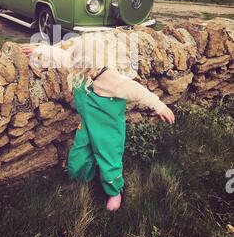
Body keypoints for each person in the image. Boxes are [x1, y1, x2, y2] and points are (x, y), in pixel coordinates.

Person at [20, 31, 175, 212]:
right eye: (80, 66)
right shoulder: (79, 66)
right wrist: (39, 49)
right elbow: (61, 56)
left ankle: (114, 191)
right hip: (87, 124)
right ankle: (81, 179)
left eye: (88, 68)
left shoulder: (114, 80)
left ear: (100, 62)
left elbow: (139, 92)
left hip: (107, 129)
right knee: (78, 155)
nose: (84, 71)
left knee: (108, 159)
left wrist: (160, 106)